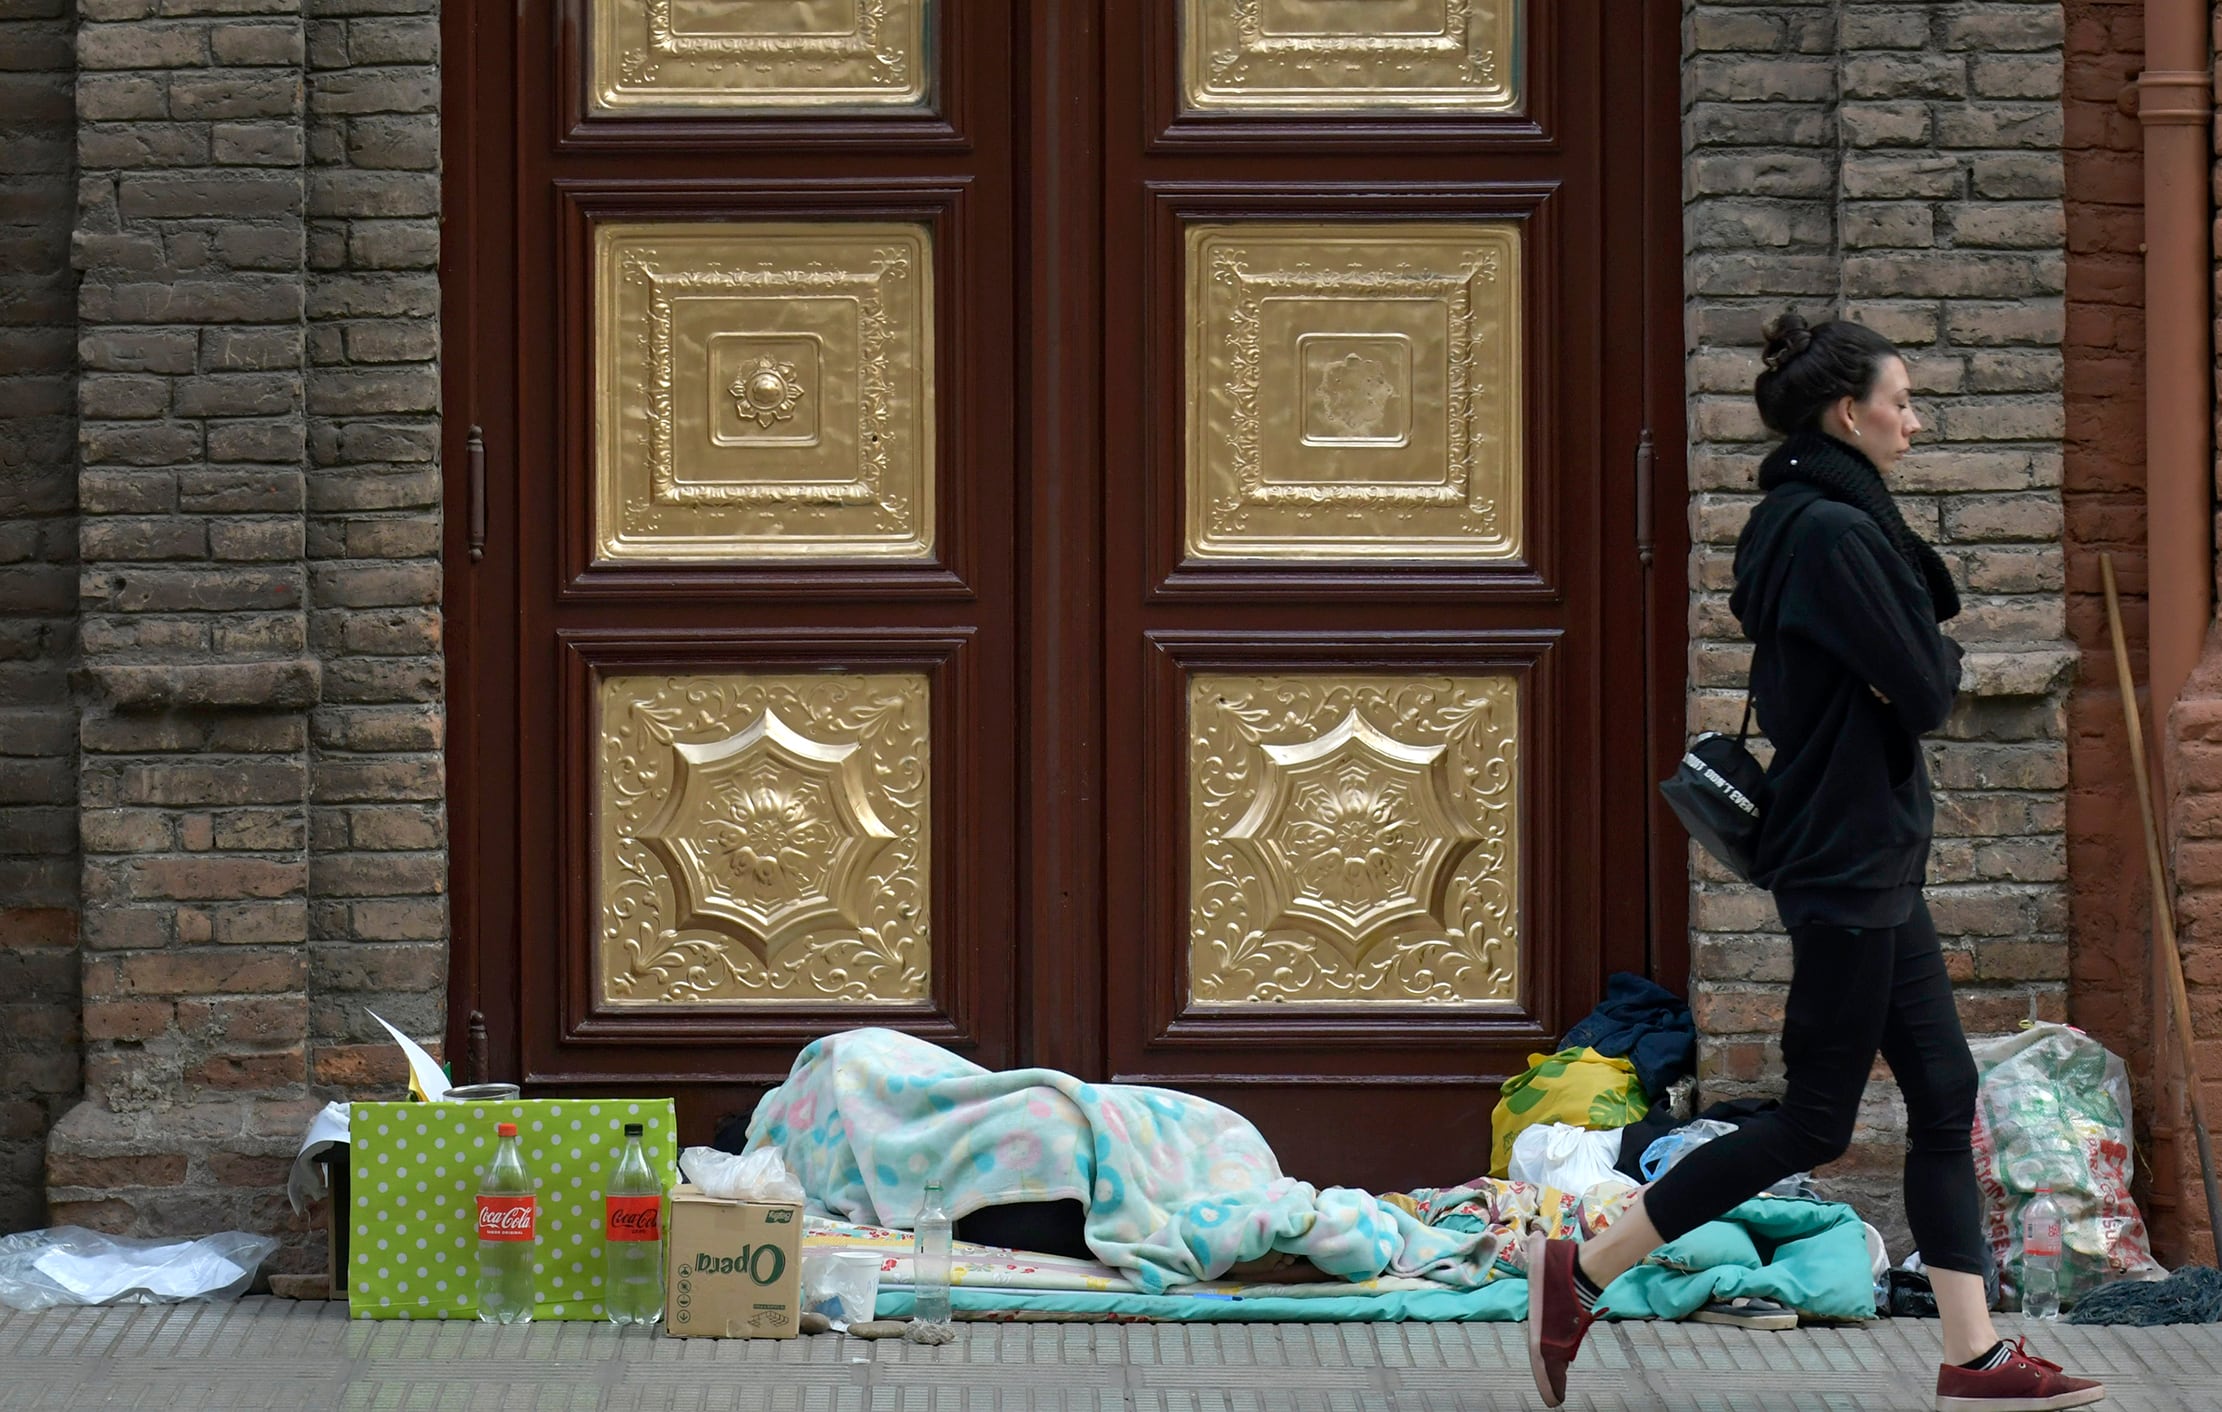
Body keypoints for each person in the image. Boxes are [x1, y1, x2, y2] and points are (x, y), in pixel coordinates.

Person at [1523, 315, 2106, 1412]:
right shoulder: (1831, 535)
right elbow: (1929, 688)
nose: (1914, 419)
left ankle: (1971, 1355)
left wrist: (1912, 655)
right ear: (1848, 412)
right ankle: (1583, 1270)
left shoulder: (1811, 521)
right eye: (1901, 398)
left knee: (1942, 1091)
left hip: (1864, 848)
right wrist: (1922, 659)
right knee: (1814, 1121)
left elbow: (1909, 662)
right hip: (1846, 857)